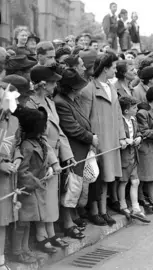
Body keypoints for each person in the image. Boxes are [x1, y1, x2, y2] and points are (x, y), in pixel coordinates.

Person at [27, 65, 75, 252]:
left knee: (51, 197)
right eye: (53, 82)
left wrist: (67, 155)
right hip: (40, 155)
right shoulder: (30, 103)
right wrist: (54, 160)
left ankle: (50, 232)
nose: (55, 85)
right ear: (42, 84)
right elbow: (39, 136)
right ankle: (42, 235)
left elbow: (59, 131)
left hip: (53, 154)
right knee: (41, 197)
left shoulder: (50, 102)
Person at [79, 52, 127, 226]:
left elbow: (119, 114)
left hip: (112, 140)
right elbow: (84, 118)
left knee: (107, 177)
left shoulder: (111, 87)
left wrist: (122, 136)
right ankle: (94, 211)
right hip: (97, 142)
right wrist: (90, 140)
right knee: (96, 178)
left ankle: (103, 210)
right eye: (113, 67)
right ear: (105, 69)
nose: (116, 69)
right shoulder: (88, 89)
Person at [54, 68, 93, 239]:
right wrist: (91, 137)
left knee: (76, 186)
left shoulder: (72, 100)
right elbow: (72, 128)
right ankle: (67, 222)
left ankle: (73, 216)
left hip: (80, 148)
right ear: (71, 88)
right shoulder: (61, 102)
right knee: (70, 186)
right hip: (71, 149)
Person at [15, 107, 59, 255]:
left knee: (29, 221)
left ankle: (25, 248)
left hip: (37, 188)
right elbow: (22, 171)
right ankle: (18, 250)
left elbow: (43, 160)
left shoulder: (39, 142)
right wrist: (36, 182)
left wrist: (50, 168)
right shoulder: (27, 145)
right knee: (23, 222)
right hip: (28, 190)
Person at [0, 79, 23, 268]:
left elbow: (17, 144)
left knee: (3, 220)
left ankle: (0, 260)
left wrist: (17, 158)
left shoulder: (14, 120)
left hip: (7, 178)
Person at [117, 96, 150, 222]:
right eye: (134, 107)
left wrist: (139, 138)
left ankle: (136, 208)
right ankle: (123, 205)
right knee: (123, 181)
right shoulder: (119, 121)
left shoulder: (133, 120)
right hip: (124, 155)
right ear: (126, 110)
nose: (137, 109)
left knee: (135, 181)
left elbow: (138, 133)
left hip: (133, 154)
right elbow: (117, 136)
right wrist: (124, 140)